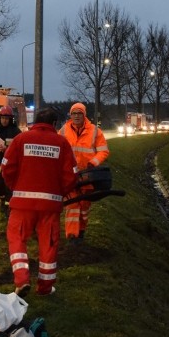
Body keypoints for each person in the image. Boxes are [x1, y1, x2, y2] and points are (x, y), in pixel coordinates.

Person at [1, 108, 78, 297]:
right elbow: (72, 175)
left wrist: (16, 189)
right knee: (49, 245)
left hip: (22, 204)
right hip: (50, 205)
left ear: (35, 122)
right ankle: (45, 287)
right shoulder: (62, 143)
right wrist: (59, 192)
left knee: (17, 239)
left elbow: (6, 168)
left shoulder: (21, 139)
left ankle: (21, 280)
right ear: (54, 124)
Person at [59, 102, 109, 245]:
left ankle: (81, 231)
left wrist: (93, 162)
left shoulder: (95, 131)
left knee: (84, 206)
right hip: (70, 176)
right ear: (70, 115)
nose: (76, 116)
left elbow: (103, 151)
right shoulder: (63, 131)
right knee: (72, 206)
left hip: (88, 175)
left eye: (79, 113)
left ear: (84, 115)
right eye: (73, 113)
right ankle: (72, 236)